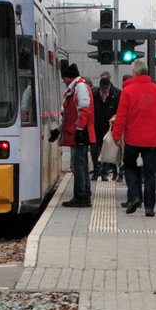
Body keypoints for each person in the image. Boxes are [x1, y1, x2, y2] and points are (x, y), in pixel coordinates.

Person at [111, 57, 156, 216]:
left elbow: (121, 116)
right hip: (152, 140)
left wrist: (116, 136)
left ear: (134, 73)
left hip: (133, 139)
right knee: (150, 172)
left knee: (130, 167)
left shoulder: (128, 91)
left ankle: (135, 196)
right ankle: (150, 207)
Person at [60, 62, 95, 208]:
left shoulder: (79, 87)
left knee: (78, 165)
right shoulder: (76, 87)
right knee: (81, 164)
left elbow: (84, 110)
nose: (63, 81)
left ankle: (81, 196)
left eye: (64, 79)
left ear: (68, 77)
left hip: (79, 133)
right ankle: (84, 194)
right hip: (77, 132)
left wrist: (80, 129)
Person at [90, 73, 120, 182]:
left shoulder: (116, 94)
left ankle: (104, 173)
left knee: (106, 149)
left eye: (106, 89)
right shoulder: (93, 95)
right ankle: (96, 171)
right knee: (94, 150)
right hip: (96, 126)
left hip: (108, 127)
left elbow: (119, 111)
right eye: (103, 89)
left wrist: (114, 118)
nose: (104, 91)